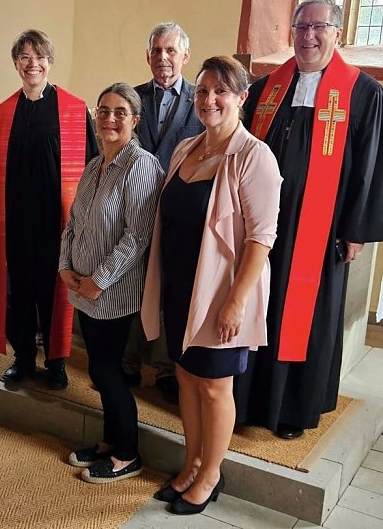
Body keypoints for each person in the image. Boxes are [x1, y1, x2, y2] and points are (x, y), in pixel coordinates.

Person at [235, 0, 383, 440]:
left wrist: (355, 230)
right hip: (264, 224)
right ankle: (247, 399)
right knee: (259, 302)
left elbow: (370, 167)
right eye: (301, 27)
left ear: (337, 33)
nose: (308, 36)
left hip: (319, 231)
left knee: (303, 314)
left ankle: (291, 409)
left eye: (319, 27)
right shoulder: (266, 88)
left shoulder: (362, 93)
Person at [141, 56, 281, 515]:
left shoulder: (253, 157)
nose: (210, 100)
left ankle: (210, 475)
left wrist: (236, 303)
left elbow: (261, 239)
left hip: (221, 294)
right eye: (202, 91)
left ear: (242, 98)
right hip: (182, 288)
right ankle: (192, 462)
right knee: (185, 377)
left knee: (215, 387)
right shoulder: (185, 149)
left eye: (221, 91)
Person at [62, 83, 163, 483]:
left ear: (135, 121)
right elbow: (73, 223)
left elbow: (137, 237)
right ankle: (108, 442)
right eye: (103, 111)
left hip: (112, 293)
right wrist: (64, 267)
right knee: (98, 370)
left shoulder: (141, 166)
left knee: (107, 372)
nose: (109, 119)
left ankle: (128, 453)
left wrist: (98, 281)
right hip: (83, 288)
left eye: (120, 112)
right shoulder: (93, 165)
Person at [0, 29, 99, 390]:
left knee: (56, 290)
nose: (32, 63)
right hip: (19, 219)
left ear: (50, 62)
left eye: (39, 57)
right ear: (16, 64)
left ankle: (56, 361)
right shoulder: (4, 112)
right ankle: (22, 357)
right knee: (20, 289)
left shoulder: (72, 109)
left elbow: (91, 165)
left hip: (59, 221)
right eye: (24, 57)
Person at [124, 22, 205, 404]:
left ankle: (169, 368)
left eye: (171, 51)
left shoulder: (202, 101)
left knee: (172, 288)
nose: (163, 58)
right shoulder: (132, 98)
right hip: (136, 207)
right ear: (147, 56)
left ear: (185, 56)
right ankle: (128, 360)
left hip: (178, 214)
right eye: (156, 51)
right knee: (132, 282)